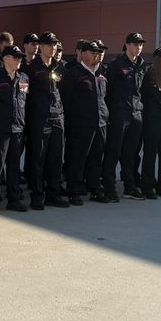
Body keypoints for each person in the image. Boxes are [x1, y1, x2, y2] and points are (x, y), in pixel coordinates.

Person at [60, 40, 109, 205]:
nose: (97, 56)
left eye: (98, 53)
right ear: (84, 54)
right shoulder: (73, 74)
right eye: (93, 52)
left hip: (100, 123)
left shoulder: (101, 75)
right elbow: (67, 100)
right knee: (78, 158)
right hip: (81, 124)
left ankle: (95, 189)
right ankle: (74, 190)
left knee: (96, 158)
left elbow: (104, 99)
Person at [0, 45, 29, 214]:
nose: (19, 60)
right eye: (15, 57)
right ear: (6, 59)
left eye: (20, 58)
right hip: (0, 129)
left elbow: (25, 103)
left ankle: (14, 200)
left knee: (15, 166)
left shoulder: (23, 78)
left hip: (17, 128)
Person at [101, 32, 147, 202]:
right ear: (127, 45)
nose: (138, 47)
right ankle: (109, 188)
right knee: (114, 152)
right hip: (120, 113)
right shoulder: (116, 64)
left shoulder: (142, 64)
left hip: (136, 114)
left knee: (131, 153)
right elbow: (108, 90)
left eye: (140, 44)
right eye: (135, 44)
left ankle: (130, 187)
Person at [25, 31, 69, 209]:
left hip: (57, 116)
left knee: (56, 158)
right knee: (38, 159)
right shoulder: (30, 68)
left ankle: (53, 193)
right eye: (49, 45)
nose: (52, 48)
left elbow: (65, 91)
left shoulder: (60, 67)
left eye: (54, 45)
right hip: (39, 118)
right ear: (41, 47)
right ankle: (37, 195)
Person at [140, 47, 161, 199]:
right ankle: (147, 186)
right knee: (150, 154)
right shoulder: (149, 76)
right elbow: (144, 98)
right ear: (156, 60)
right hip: (152, 121)